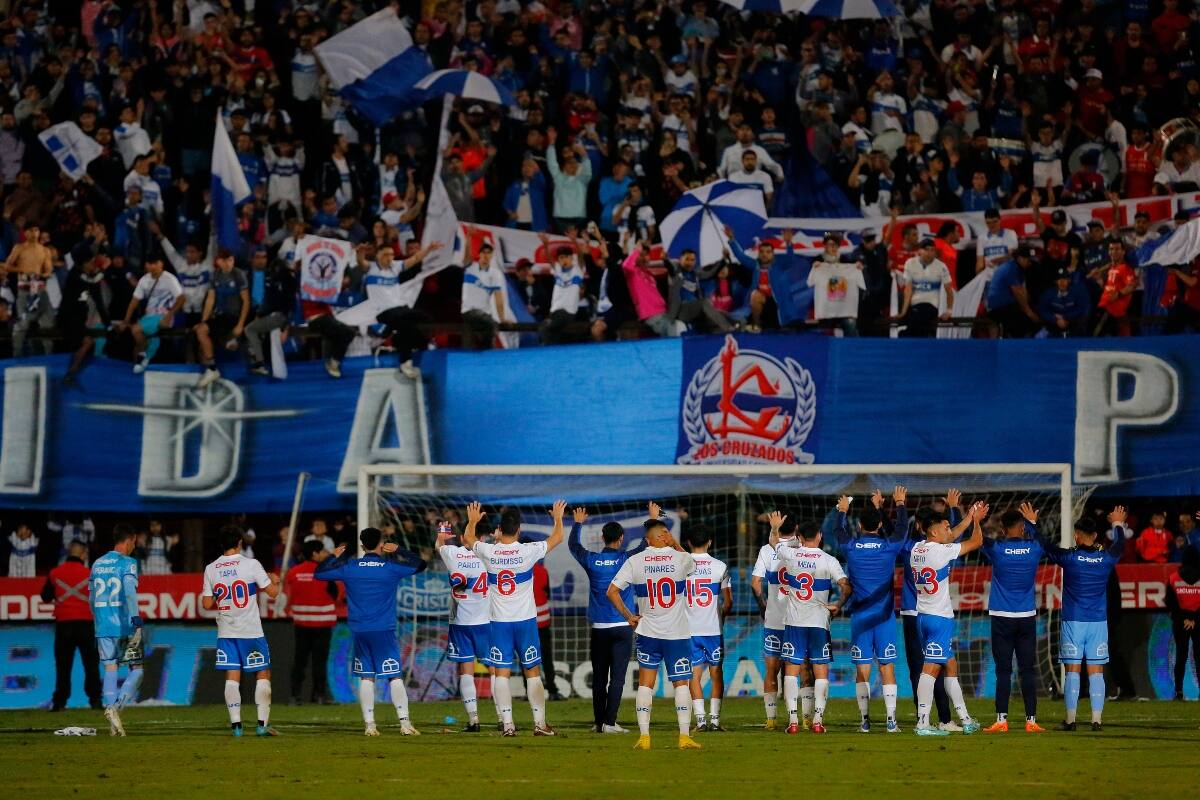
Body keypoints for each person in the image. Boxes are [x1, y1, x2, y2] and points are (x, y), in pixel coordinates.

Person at [463, 500, 565, 737]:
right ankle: (540, 724)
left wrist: (472, 520)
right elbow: (558, 537)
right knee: (532, 672)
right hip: (526, 622)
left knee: (501, 673)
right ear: (518, 530)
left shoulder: (489, 551)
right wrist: (558, 517)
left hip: (499, 623)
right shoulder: (527, 551)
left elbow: (469, 539)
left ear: (500, 529)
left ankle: (508, 726)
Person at [315, 527, 427, 736]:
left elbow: (319, 573)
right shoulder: (390, 567)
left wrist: (332, 556)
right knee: (394, 676)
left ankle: (370, 725)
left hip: (359, 630)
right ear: (381, 544)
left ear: (361, 545)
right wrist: (399, 550)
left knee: (367, 677)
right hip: (383, 629)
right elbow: (421, 565)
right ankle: (404, 724)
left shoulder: (350, 567)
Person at [606, 505, 701, 751]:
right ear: (663, 535)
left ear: (646, 540)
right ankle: (683, 737)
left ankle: (645, 738)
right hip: (677, 634)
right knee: (681, 684)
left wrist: (629, 616)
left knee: (646, 684)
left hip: (647, 632)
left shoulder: (635, 561)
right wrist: (675, 542)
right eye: (666, 533)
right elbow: (693, 566)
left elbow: (612, 592)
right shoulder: (681, 558)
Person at [1044, 508, 1130, 731]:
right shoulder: (1105, 559)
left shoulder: (1070, 558)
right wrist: (1118, 524)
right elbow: (1120, 545)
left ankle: (1071, 721)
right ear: (1095, 537)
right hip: (1098, 623)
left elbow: (1046, 547)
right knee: (1096, 671)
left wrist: (1033, 524)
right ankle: (1096, 721)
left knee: (1072, 670)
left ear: (1076, 536)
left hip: (1074, 621)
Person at [910, 500, 988, 736]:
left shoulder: (917, 549)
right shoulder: (941, 552)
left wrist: (968, 515)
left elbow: (951, 536)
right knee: (930, 670)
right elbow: (976, 542)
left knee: (950, 664)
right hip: (939, 619)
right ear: (934, 531)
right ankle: (922, 724)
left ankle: (965, 720)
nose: (948, 531)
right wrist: (975, 521)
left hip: (923, 616)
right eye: (944, 527)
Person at [568, 506, 648, 734]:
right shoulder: (627, 559)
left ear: (602, 538)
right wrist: (651, 519)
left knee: (600, 677)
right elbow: (644, 545)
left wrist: (577, 523)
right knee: (618, 679)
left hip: (599, 627)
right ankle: (610, 723)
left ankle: (598, 723)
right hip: (623, 625)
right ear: (621, 538)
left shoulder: (592, 560)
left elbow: (574, 546)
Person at [836, 488, 908, 733]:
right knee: (887, 668)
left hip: (860, 618)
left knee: (862, 670)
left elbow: (838, 532)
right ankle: (891, 721)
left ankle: (865, 721)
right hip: (885, 617)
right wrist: (899, 503)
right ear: (879, 525)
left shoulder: (852, 548)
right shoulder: (889, 547)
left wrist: (842, 511)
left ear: (859, 524)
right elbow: (901, 530)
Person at [202, 525, 282, 736]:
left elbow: (207, 604)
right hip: (251, 631)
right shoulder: (251, 564)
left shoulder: (211, 568)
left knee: (232, 676)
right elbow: (273, 593)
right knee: (262, 673)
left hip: (227, 632)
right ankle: (262, 726)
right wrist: (275, 580)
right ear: (239, 542)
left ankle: (236, 727)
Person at [776, 516, 852, 734]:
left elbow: (775, 542)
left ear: (799, 537)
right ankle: (817, 721)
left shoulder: (790, 554)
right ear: (820, 536)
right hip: (819, 622)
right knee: (821, 671)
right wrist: (838, 604)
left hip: (794, 622)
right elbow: (846, 586)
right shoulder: (829, 560)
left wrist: (775, 529)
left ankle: (792, 722)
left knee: (791, 671)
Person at [980, 504, 1047, 733]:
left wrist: (974, 519)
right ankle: (1031, 720)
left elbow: (977, 539)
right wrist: (1033, 523)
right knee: (1028, 669)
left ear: (1003, 528)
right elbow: (1044, 542)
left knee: (1003, 670)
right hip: (1026, 616)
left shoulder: (997, 548)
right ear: (1021, 527)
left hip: (1001, 616)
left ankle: (1001, 720)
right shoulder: (1034, 547)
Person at [436, 518, 491, 732]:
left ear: (461, 538)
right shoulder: (489, 554)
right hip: (486, 621)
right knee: (496, 670)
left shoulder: (452, 554)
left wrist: (442, 532)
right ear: (483, 538)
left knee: (465, 671)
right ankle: (502, 719)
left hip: (460, 623)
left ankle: (474, 720)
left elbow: (439, 545)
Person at [89, 524, 143, 736]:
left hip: (102, 625)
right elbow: (129, 590)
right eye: (134, 542)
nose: (134, 546)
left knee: (110, 668)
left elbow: (92, 598)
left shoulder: (97, 564)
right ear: (129, 540)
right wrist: (135, 617)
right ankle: (116, 708)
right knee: (137, 669)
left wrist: (99, 619)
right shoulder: (128, 563)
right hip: (124, 624)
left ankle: (112, 724)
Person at [751, 510, 800, 730]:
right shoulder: (802, 547)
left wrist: (763, 606)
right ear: (797, 528)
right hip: (799, 619)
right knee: (801, 669)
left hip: (773, 619)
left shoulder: (767, 549)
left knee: (772, 670)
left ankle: (771, 719)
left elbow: (755, 583)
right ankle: (805, 718)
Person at [40, 540, 101, 711]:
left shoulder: (55, 573)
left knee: (63, 666)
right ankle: (95, 700)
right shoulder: (91, 574)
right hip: (86, 625)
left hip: (64, 625)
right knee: (90, 665)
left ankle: (59, 702)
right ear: (84, 555)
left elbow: (45, 596)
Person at [685, 524, 732, 732]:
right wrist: (721, 614)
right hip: (713, 629)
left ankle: (701, 721)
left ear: (688, 543)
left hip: (689, 630)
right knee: (716, 673)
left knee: (693, 675)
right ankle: (715, 720)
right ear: (710, 542)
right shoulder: (720, 567)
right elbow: (728, 602)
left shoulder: (681, 565)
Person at [284, 539, 338, 705]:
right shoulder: (327, 572)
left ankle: (295, 696)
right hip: (322, 625)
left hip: (301, 624)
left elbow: (289, 595)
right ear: (315, 554)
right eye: (322, 551)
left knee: (300, 661)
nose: (324, 554)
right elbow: (335, 594)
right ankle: (319, 696)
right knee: (319, 662)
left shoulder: (293, 573)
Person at [116, 248, 185, 373]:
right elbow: (134, 301)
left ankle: (142, 358)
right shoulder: (144, 280)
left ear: (161, 263)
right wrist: (126, 320)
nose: (151, 266)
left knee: (136, 329)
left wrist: (169, 316)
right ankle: (144, 360)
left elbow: (181, 299)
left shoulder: (170, 279)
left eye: (155, 263)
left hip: (163, 315)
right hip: (149, 317)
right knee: (141, 343)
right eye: (149, 263)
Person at [194, 248, 250, 389]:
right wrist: (204, 320)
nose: (228, 263)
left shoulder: (239, 275)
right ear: (218, 261)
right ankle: (212, 369)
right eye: (224, 260)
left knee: (231, 346)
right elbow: (210, 300)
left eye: (230, 259)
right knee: (201, 331)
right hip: (219, 316)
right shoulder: (215, 275)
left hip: (233, 317)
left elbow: (246, 301)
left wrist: (240, 324)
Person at [899, 239, 955, 337]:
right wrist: (903, 312)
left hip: (931, 306)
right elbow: (908, 290)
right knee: (916, 321)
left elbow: (949, 291)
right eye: (926, 250)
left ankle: (905, 335)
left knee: (920, 315)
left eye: (932, 250)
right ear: (919, 251)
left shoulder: (941, 266)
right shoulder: (910, 263)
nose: (929, 253)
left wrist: (949, 311)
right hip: (913, 306)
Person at [1165, 548, 1200, 700]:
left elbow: (1170, 602)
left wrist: (1185, 618)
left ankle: (1179, 691)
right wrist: (1194, 618)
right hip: (1198, 622)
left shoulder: (1173, 578)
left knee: (1181, 655)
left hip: (1180, 622)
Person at [985, 246, 1041, 338]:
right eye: (1028, 260)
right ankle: (1016, 347)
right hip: (999, 308)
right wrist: (1029, 313)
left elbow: (1023, 291)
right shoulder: (1012, 268)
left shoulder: (1018, 268)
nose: (1030, 263)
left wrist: (1030, 307)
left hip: (1005, 306)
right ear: (1020, 258)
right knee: (1027, 324)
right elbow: (1018, 292)